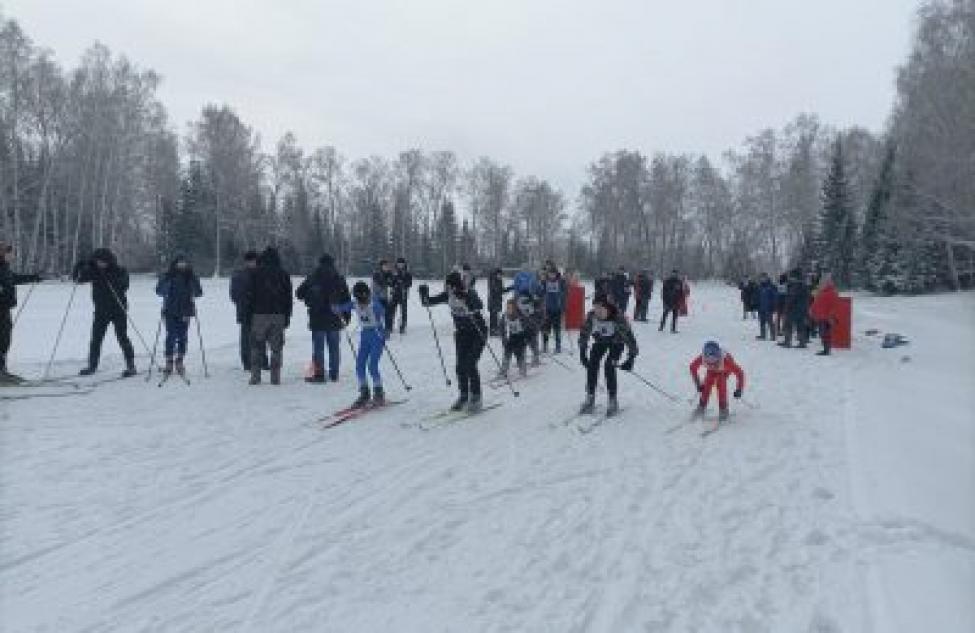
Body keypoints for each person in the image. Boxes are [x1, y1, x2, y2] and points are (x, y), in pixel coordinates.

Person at [419, 271, 488, 413]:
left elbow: (479, 305)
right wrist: (423, 294)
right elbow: (427, 303)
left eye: (448, 285)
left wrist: (467, 299)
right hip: (462, 334)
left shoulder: (469, 293)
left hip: (477, 333)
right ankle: (463, 395)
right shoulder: (448, 295)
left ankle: (476, 397)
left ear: (455, 285)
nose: (446, 288)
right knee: (460, 367)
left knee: (470, 363)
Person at [73, 248, 137, 377]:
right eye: (97, 261)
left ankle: (131, 366)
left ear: (109, 261)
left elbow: (124, 285)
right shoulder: (94, 272)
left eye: (103, 261)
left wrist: (110, 277)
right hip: (101, 311)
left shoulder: (120, 270)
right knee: (96, 339)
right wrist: (79, 266)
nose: (100, 264)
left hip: (118, 309)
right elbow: (78, 279)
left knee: (122, 337)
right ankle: (92, 366)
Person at [578, 293, 638, 417]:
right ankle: (590, 396)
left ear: (607, 307)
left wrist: (631, 358)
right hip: (600, 341)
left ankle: (613, 400)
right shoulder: (592, 316)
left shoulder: (618, 318)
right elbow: (584, 333)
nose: (597, 311)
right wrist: (582, 352)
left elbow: (630, 339)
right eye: (595, 307)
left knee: (609, 366)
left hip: (616, 343)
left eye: (600, 308)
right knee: (592, 364)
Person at [295, 253, 351, 383]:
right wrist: (347, 317)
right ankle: (334, 374)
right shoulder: (339, 278)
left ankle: (319, 375)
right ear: (332, 263)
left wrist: (310, 297)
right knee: (334, 348)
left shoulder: (312, 278)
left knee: (318, 348)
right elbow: (346, 300)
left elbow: (298, 293)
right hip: (335, 317)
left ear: (319, 263)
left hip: (317, 317)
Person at [242, 247, 293, 385]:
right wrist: (287, 316)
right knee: (276, 348)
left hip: (259, 315)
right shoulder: (284, 274)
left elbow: (249, 296)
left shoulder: (255, 273)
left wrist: (247, 315)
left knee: (256, 347)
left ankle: (255, 376)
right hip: (278, 315)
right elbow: (288, 298)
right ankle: (275, 378)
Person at [332, 281, 387, 407]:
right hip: (365, 336)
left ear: (367, 294)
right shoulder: (355, 303)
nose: (360, 302)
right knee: (359, 365)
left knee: (372, 365)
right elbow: (344, 307)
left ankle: (379, 392)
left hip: (376, 336)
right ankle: (364, 392)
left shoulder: (374, 304)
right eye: (357, 298)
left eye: (363, 298)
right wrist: (336, 308)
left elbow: (383, 312)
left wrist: (385, 329)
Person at [0, 242, 43, 382]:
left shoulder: (4, 268)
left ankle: (2, 370)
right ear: (2, 253)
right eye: (10, 252)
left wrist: (33, 278)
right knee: (2, 339)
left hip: (4, 309)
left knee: (5, 339)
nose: (13, 255)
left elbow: (15, 278)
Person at [154, 255, 203, 376]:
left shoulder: (190, 276)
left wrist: (194, 286)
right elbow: (159, 291)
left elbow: (199, 292)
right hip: (170, 310)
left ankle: (180, 360)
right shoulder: (168, 275)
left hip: (185, 311)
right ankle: (169, 360)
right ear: (175, 264)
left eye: (184, 263)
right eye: (179, 263)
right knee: (171, 335)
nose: (181, 265)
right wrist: (166, 286)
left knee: (182, 336)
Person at [690, 340, 745, 422]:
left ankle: (723, 409)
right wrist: (698, 384)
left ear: (718, 356)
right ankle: (702, 406)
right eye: (708, 359)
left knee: (721, 383)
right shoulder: (702, 359)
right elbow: (692, 367)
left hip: (724, 370)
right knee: (707, 384)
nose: (711, 361)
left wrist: (739, 389)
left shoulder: (726, 361)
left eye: (714, 359)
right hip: (711, 371)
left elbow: (740, 373)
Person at [230, 251, 266, 371]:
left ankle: (261, 361)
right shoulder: (239, 275)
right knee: (246, 338)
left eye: (253, 261)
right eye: (250, 261)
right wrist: (243, 302)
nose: (252, 263)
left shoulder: (261, 274)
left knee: (259, 337)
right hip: (246, 311)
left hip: (257, 311)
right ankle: (247, 362)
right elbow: (234, 294)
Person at [497, 298, 529, 379]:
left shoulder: (521, 315)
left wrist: (527, 337)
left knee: (519, 354)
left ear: (515, 308)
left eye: (510, 308)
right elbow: (501, 327)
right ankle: (504, 370)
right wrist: (504, 338)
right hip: (511, 336)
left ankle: (522, 368)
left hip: (521, 337)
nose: (508, 309)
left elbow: (527, 326)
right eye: (507, 307)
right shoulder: (505, 316)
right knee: (507, 352)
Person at [809, 272, 840, 356]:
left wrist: (831, 315)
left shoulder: (831, 293)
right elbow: (816, 302)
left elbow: (834, 305)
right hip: (821, 316)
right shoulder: (821, 292)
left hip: (826, 317)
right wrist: (812, 310)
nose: (821, 284)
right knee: (822, 333)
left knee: (825, 333)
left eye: (823, 283)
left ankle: (826, 350)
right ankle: (825, 349)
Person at [779, 269, 810, 349]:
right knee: (800, 326)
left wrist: (786, 308)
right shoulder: (804, 285)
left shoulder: (795, 286)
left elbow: (791, 298)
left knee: (788, 325)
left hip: (793, 309)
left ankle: (787, 341)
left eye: (791, 276)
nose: (790, 278)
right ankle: (802, 342)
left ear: (795, 277)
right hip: (802, 309)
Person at [540, 266, 567, 353]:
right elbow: (541, 291)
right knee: (546, 328)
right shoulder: (545, 282)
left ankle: (558, 346)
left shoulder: (560, 282)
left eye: (553, 274)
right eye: (550, 274)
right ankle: (545, 346)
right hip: (548, 309)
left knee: (557, 329)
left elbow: (566, 293)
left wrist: (563, 305)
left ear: (556, 274)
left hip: (557, 309)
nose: (552, 275)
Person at [389, 257, 412, 335]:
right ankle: (390, 326)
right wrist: (394, 281)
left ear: (404, 264)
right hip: (394, 294)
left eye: (402, 263)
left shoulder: (407, 273)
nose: (400, 265)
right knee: (392, 311)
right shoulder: (394, 272)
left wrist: (402, 283)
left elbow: (409, 283)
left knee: (403, 311)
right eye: (399, 263)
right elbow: (390, 282)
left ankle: (403, 326)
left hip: (403, 294)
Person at [371, 259, 394, 337]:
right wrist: (388, 280)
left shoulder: (388, 273)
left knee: (388, 313)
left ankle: (388, 329)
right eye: (385, 266)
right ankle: (377, 329)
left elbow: (391, 283)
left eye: (387, 266)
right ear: (381, 266)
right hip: (376, 297)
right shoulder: (377, 274)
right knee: (377, 314)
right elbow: (382, 283)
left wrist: (391, 279)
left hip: (384, 297)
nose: (386, 267)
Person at [756, 273, 778, 340]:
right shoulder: (760, 286)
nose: (763, 279)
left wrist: (774, 306)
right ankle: (763, 335)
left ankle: (773, 336)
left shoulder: (771, 286)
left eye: (764, 278)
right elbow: (757, 296)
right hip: (761, 307)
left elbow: (775, 297)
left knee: (770, 322)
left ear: (767, 278)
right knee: (762, 322)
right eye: (762, 278)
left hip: (769, 307)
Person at [487, 267, 504, 336]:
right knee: (493, 316)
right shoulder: (493, 281)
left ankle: (495, 330)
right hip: (493, 301)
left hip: (497, 301)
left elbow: (501, 290)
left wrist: (511, 288)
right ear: (497, 274)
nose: (501, 276)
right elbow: (497, 290)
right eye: (500, 275)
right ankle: (493, 331)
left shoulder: (498, 281)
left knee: (495, 316)